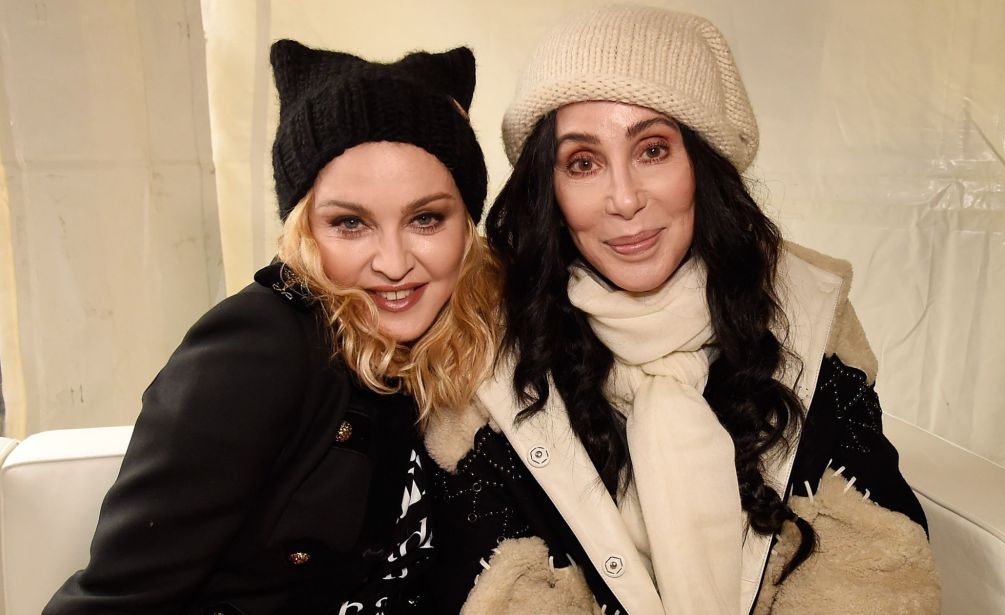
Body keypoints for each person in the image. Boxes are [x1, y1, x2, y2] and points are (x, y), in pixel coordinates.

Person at [424, 5, 940, 614]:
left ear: (701, 163)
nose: (623, 198)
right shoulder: (485, 340)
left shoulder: (807, 311)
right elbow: (498, 583)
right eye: (583, 163)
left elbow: (876, 564)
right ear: (550, 188)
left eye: (652, 149)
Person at [45, 39, 498, 614]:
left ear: (468, 227)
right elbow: (112, 603)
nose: (392, 261)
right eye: (350, 223)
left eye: (425, 218)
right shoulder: (260, 348)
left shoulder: (456, 345)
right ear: (303, 230)